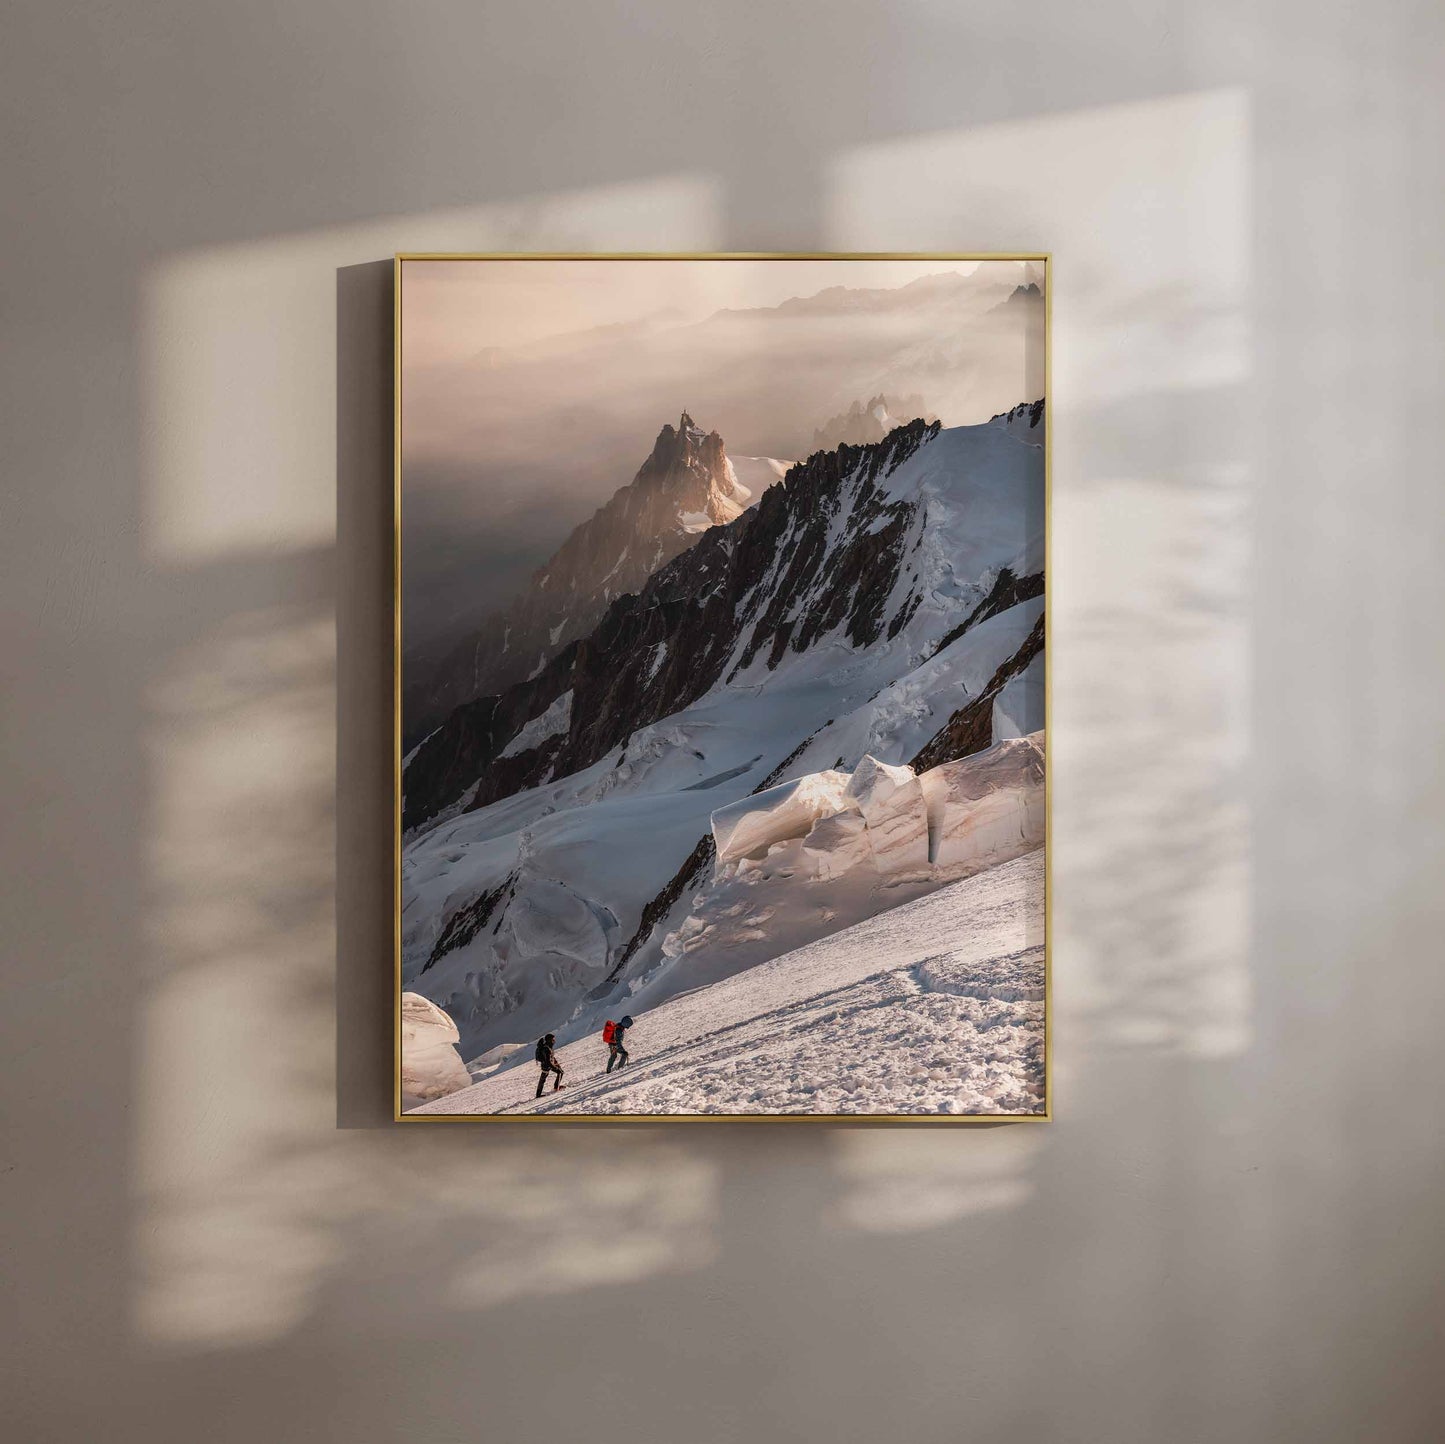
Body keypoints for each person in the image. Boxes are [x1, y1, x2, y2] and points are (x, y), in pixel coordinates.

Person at [534, 1033, 565, 1098]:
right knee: (543, 1079)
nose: (554, 1041)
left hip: (550, 1065)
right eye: (553, 1040)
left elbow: (552, 1057)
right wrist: (555, 1067)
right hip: (546, 1066)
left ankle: (556, 1087)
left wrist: (556, 1063)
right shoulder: (546, 1049)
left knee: (560, 1072)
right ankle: (538, 1094)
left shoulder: (549, 1047)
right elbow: (548, 1061)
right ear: (549, 1040)